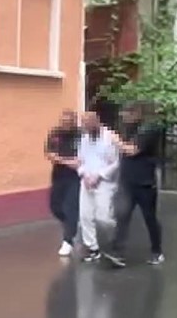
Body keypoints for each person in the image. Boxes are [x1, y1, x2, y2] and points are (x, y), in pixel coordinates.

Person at [106, 102, 165, 267]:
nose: (123, 117)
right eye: (123, 113)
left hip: (145, 183)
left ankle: (157, 251)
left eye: (126, 113)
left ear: (136, 113)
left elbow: (132, 150)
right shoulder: (127, 130)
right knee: (122, 215)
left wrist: (116, 141)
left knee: (149, 218)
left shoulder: (149, 129)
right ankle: (118, 253)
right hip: (127, 182)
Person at [77, 111, 120, 263]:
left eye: (88, 124)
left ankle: (114, 243)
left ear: (97, 121)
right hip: (87, 182)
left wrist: (99, 176)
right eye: (84, 125)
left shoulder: (110, 137)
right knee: (85, 216)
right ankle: (92, 248)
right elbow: (80, 160)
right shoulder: (84, 139)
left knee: (104, 218)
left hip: (104, 183)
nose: (86, 128)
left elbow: (116, 163)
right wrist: (84, 174)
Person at [45, 110, 81, 257]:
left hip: (75, 177)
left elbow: (82, 157)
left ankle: (68, 240)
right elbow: (50, 154)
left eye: (69, 122)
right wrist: (66, 161)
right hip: (58, 175)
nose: (65, 124)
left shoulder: (80, 135)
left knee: (70, 207)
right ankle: (72, 226)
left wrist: (75, 163)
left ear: (74, 122)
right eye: (63, 121)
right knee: (55, 207)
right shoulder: (55, 133)